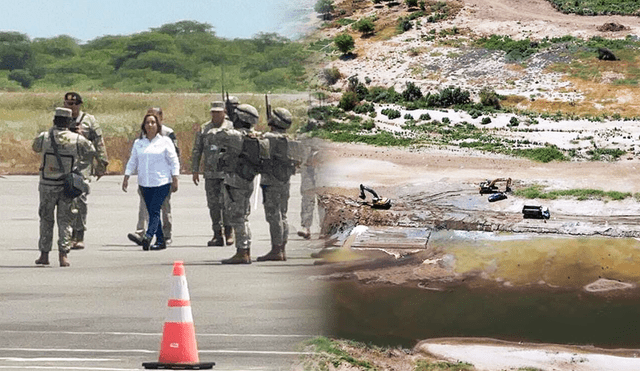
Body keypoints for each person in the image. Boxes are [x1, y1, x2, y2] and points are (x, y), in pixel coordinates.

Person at [33, 107, 96, 267]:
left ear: (54, 120)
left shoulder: (45, 137)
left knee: (46, 220)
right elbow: (91, 151)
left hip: (47, 185)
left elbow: (35, 147)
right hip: (66, 186)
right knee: (65, 221)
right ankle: (63, 255)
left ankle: (44, 254)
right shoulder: (76, 139)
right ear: (69, 122)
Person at [122, 113, 180, 251]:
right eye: (147, 122)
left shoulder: (165, 141)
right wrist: (126, 176)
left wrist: (175, 178)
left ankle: (148, 237)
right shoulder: (139, 143)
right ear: (144, 126)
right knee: (152, 211)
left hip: (162, 182)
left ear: (158, 125)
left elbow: (173, 161)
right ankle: (160, 241)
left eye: (153, 122)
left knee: (154, 211)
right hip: (145, 183)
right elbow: (133, 161)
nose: (150, 125)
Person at [219, 104, 265, 264]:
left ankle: (243, 251)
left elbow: (219, 138)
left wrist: (229, 117)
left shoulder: (234, 135)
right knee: (243, 216)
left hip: (236, 180)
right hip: (247, 179)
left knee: (238, 217)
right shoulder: (253, 136)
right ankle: (244, 249)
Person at [63, 92, 109, 250]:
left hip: (83, 166)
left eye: (74, 104)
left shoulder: (89, 120)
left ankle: (79, 234)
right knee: (66, 201)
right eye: (68, 104)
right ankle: (67, 235)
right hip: (65, 165)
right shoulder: (61, 119)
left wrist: (102, 162)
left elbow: (99, 142)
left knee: (80, 198)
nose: (71, 107)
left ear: (80, 105)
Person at [257, 108, 300, 261]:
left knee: (273, 215)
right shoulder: (290, 138)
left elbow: (260, 146)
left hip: (271, 180)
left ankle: (276, 249)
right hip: (285, 180)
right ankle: (281, 249)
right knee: (282, 215)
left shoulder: (269, 137)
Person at [191, 101, 234, 246]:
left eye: (218, 112)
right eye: (213, 112)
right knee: (213, 205)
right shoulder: (205, 128)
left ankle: (229, 232)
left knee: (227, 203)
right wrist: (195, 170)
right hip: (210, 173)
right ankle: (217, 234)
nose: (215, 115)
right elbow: (197, 149)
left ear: (224, 112)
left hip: (226, 173)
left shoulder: (231, 127)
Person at [297, 135, 323, 240]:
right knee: (307, 198)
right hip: (308, 171)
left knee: (324, 200)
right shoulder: (303, 138)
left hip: (323, 170)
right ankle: (306, 227)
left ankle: (325, 229)